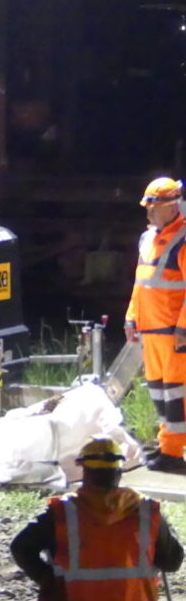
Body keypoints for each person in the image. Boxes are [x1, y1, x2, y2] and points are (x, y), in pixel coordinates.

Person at [11, 437, 183, 601]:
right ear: (119, 472)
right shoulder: (146, 511)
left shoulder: (61, 513)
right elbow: (173, 561)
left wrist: (46, 578)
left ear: (85, 472)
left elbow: (21, 547)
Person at [126, 177, 186, 473]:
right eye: (147, 207)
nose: (148, 212)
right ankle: (167, 449)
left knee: (176, 393)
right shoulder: (148, 238)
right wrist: (131, 316)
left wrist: (183, 329)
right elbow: (141, 282)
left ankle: (173, 454)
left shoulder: (184, 239)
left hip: (174, 333)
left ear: (172, 205)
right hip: (152, 330)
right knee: (160, 392)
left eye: (154, 207)